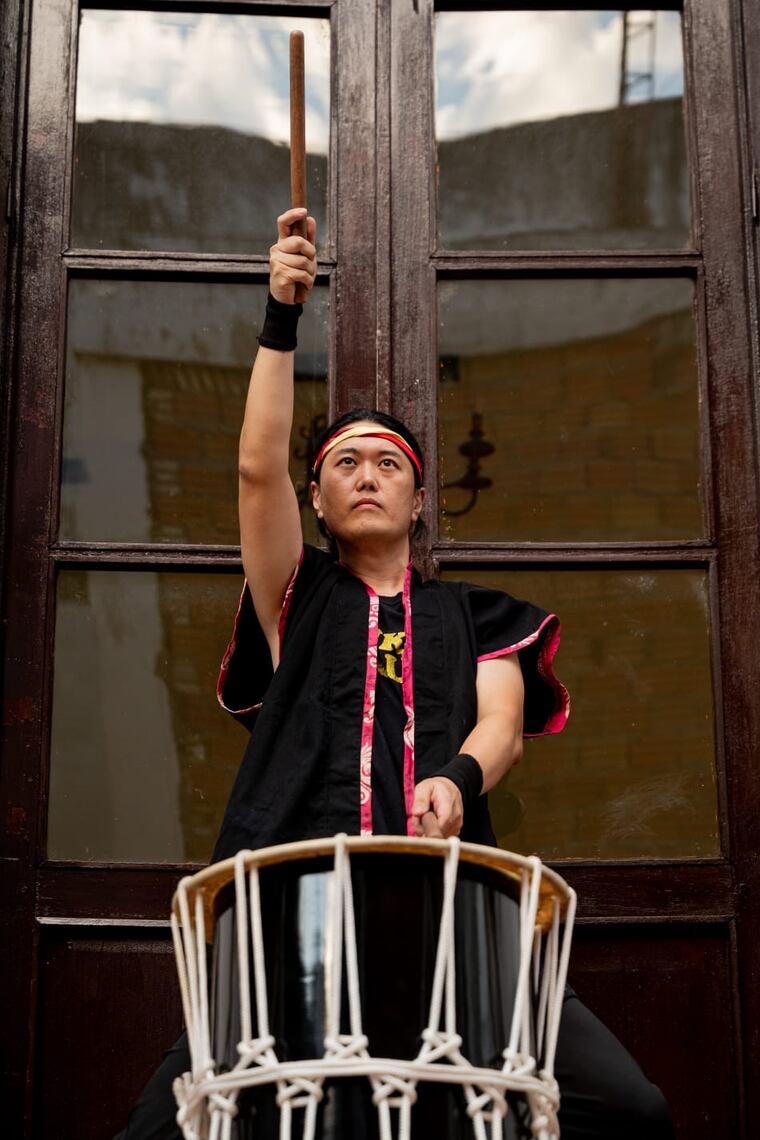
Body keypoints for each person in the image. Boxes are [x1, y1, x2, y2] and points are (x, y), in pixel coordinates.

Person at [114, 208, 674, 1140]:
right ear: (320, 503)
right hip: (287, 910)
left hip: (450, 915)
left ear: (420, 499)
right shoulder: (297, 597)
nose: (365, 475)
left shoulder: (479, 618)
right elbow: (257, 469)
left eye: (387, 463)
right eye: (342, 465)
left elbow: (499, 727)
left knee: (629, 1104)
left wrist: (455, 780)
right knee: (164, 1128)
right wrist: (281, 314)